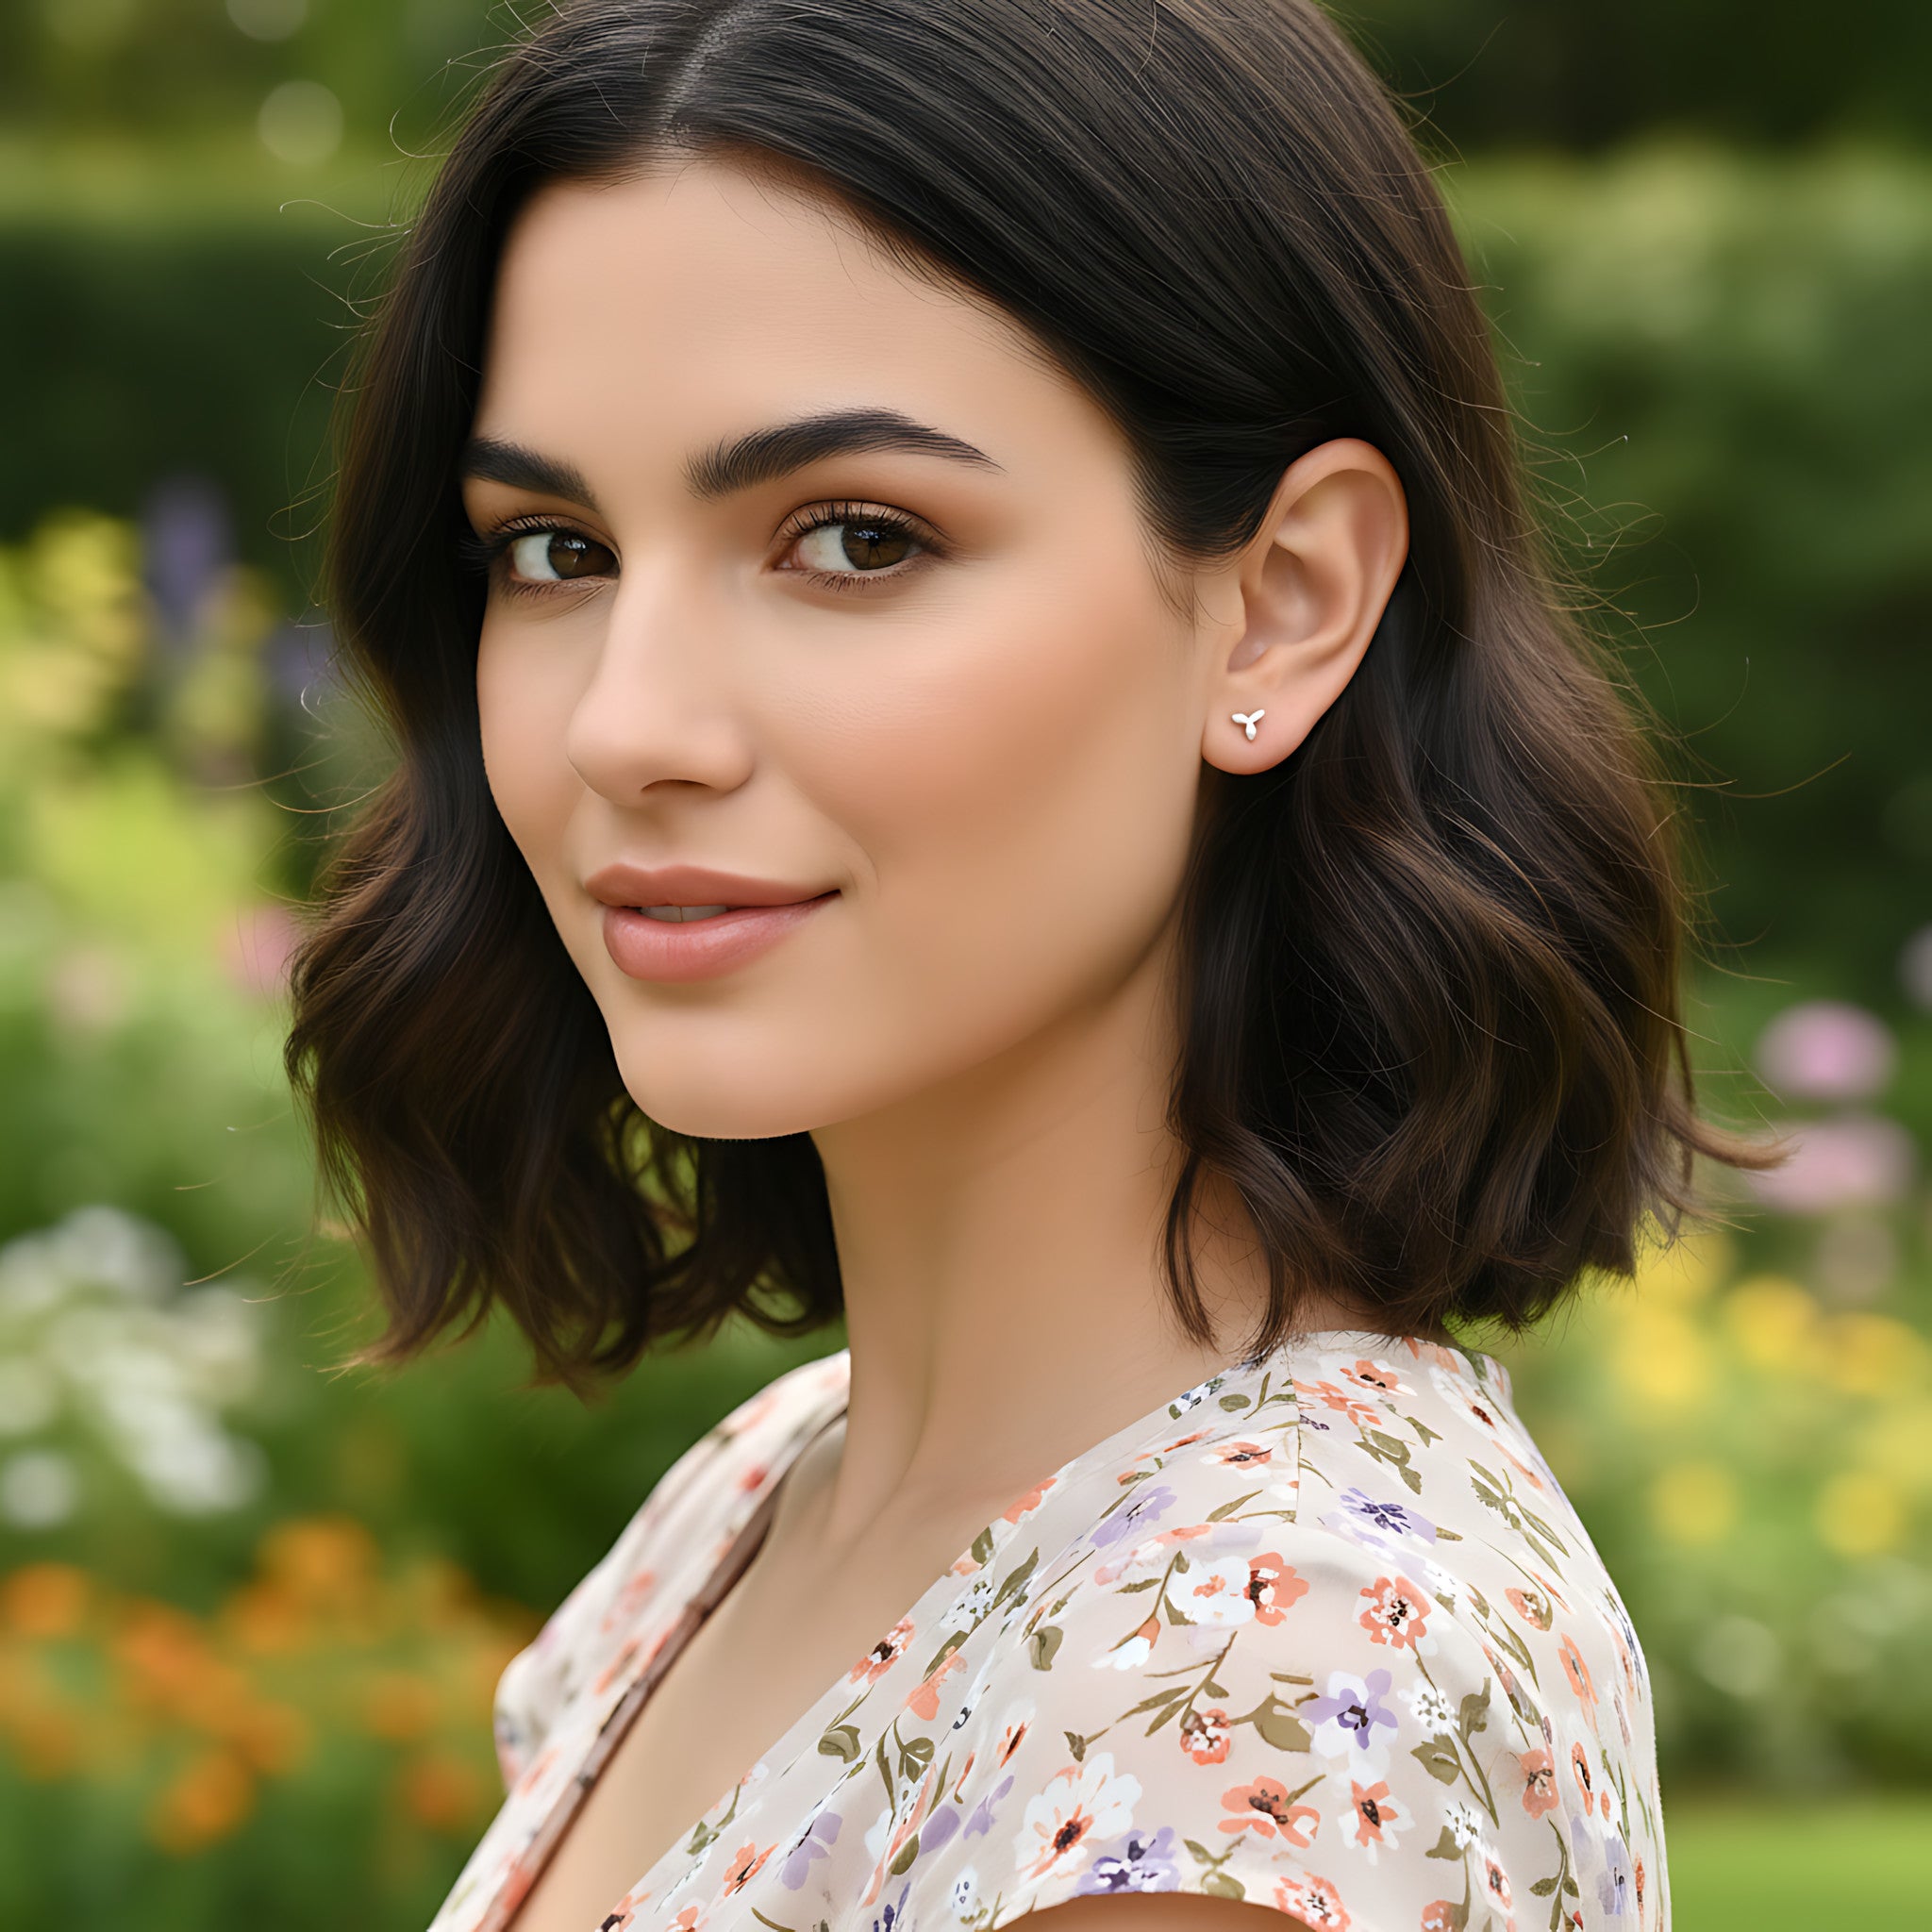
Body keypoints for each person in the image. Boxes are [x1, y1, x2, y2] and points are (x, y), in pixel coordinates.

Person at [284, 2, 1761, 1926]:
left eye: (854, 536)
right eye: (554, 549)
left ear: (1281, 605)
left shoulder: (1245, 1678)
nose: (625, 725)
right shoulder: (763, 1501)